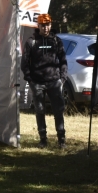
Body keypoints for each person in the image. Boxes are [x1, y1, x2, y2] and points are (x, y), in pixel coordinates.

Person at [21, 13, 67, 149]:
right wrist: (30, 79)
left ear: (50, 25)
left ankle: (62, 140)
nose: (45, 28)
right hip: (37, 83)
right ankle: (43, 139)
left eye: (47, 25)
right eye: (42, 25)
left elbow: (63, 61)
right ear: (38, 26)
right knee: (39, 111)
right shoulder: (31, 41)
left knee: (58, 111)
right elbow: (24, 64)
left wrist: (62, 78)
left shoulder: (57, 41)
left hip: (54, 81)